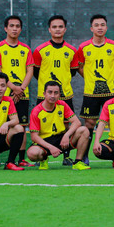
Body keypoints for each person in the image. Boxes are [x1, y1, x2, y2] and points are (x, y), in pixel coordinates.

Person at [76, 14, 114, 162]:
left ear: (106, 27)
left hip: (110, 91)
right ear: (91, 28)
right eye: (96, 25)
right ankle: (84, 156)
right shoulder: (84, 47)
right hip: (91, 92)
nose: (100, 27)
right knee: (89, 123)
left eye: (102, 25)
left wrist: (109, 78)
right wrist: (90, 78)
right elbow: (79, 66)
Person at [33, 15, 79, 165]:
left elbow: (72, 71)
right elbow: (36, 71)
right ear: (49, 29)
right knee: (42, 126)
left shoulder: (72, 50)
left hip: (65, 93)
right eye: (54, 27)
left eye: (60, 27)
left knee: (66, 126)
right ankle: (42, 156)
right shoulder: (40, 50)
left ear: (65, 29)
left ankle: (66, 156)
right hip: (44, 95)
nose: (57, 29)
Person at [0, 15, 34, 167]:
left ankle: (20, 159)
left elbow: (30, 71)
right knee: (0, 124)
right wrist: (14, 88)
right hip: (3, 92)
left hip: (22, 94)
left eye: (17, 26)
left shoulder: (25, 49)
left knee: (21, 126)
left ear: (21, 29)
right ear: (5, 28)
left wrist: (21, 89)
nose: (15, 29)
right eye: (12, 26)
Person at [27, 81, 91, 170]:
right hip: (45, 142)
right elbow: (34, 137)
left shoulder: (62, 105)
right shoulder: (36, 111)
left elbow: (77, 122)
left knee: (84, 130)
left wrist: (66, 135)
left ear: (59, 95)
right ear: (44, 94)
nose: (53, 96)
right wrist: (51, 147)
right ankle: (44, 159)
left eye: (56, 93)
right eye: (50, 92)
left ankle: (78, 162)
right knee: (32, 153)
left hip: (62, 140)